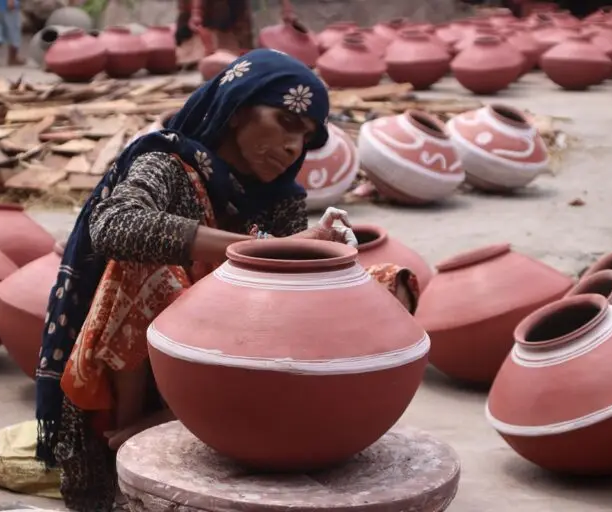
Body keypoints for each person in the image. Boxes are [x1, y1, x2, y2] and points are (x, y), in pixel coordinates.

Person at [35, 49, 419, 512]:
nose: (295, 148)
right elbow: (114, 224)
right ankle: (134, 430)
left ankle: (251, 426)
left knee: (390, 285)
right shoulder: (167, 162)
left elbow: (287, 288)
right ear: (238, 111)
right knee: (141, 263)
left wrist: (311, 247)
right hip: (168, 353)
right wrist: (250, 247)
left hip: (243, 344)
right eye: (286, 122)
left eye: (306, 138)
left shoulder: (279, 195)